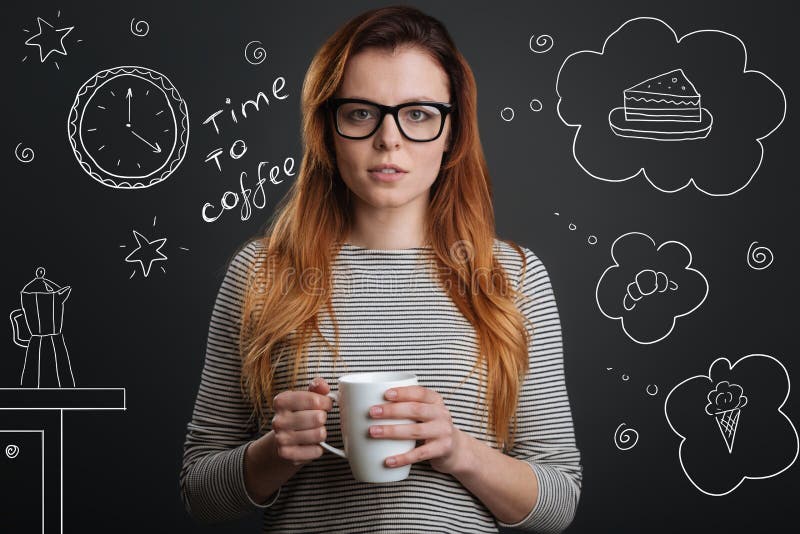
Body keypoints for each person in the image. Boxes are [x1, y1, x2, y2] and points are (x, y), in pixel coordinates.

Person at [180, 5, 581, 533]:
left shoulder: (513, 277)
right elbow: (199, 494)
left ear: (450, 132)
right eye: (361, 113)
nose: (388, 139)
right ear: (328, 128)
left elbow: (559, 503)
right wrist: (274, 453)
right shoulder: (260, 273)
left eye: (417, 114)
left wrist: (459, 451)